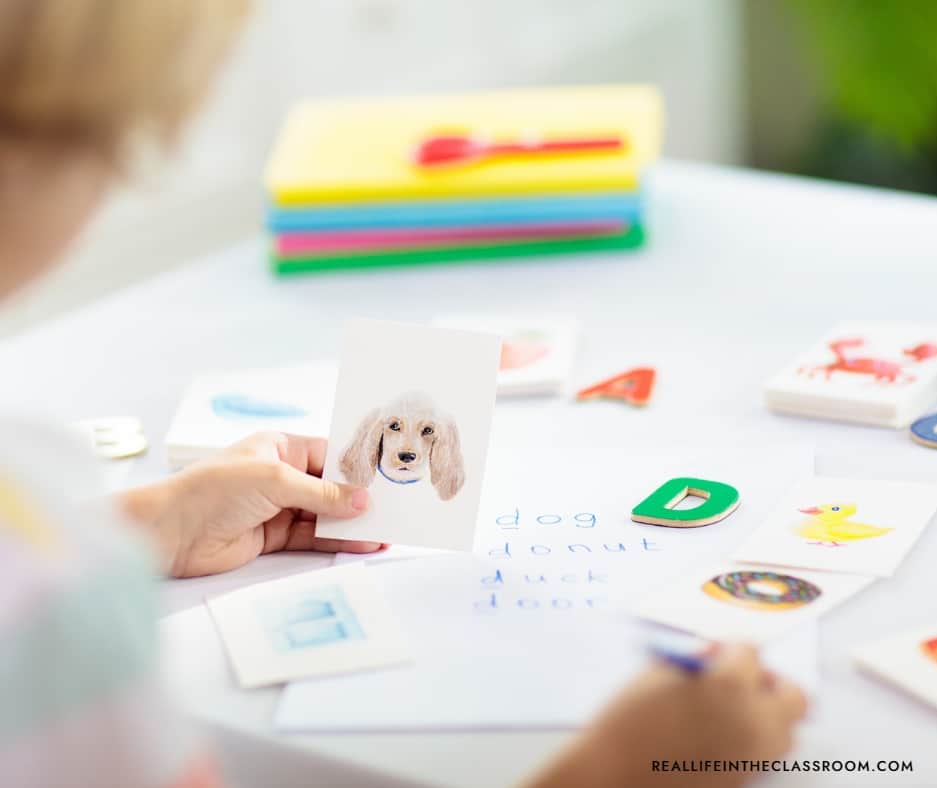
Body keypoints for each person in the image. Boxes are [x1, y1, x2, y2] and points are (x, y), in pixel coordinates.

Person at [0, 2, 806, 786]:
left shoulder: (49, 542)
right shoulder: (59, 610)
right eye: (137, 140)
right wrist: (621, 771)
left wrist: (150, 524)